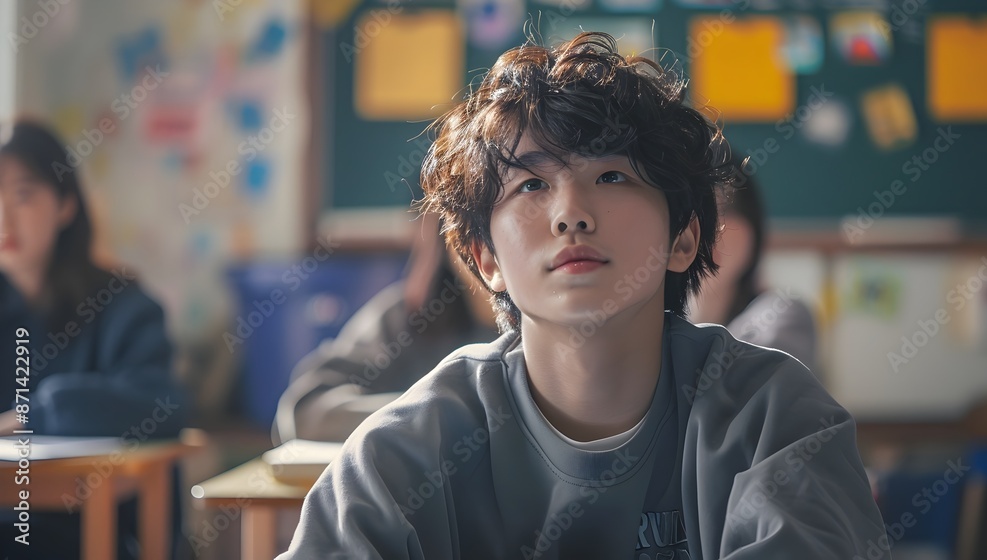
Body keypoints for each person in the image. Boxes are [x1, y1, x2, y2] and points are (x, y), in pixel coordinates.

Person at [279, 32, 887, 559]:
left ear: (684, 238)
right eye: (531, 184)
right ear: (486, 259)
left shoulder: (776, 421)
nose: (571, 213)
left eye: (612, 175)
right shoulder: (407, 449)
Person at [0, 120, 188, 559]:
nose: (4, 216)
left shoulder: (122, 305)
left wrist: (32, 414)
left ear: (65, 204)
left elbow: (164, 405)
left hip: (91, 534)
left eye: (22, 195)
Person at [273, 213, 499, 443]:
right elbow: (305, 413)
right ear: (446, 240)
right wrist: (431, 416)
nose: (487, 248)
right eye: (473, 226)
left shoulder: (530, 334)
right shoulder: (408, 318)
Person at [689, 164, 818, 372]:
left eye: (726, 209)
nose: (712, 226)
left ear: (754, 229)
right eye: (694, 210)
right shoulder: (652, 323)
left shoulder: (782, 315)